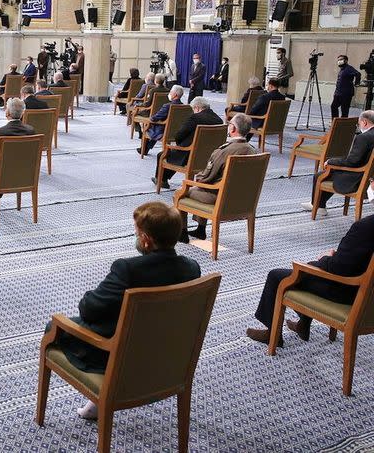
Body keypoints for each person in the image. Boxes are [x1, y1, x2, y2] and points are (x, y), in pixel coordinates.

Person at [50, 201, 200, 420]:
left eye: (137, 233)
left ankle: (104, 391)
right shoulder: (192, 267)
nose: (136, 237)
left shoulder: (128, 270)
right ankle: (97, 400)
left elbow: (89, 310)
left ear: (147, 241)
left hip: (121, 357)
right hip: (168, 357)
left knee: (54, 327)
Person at [247, 214, 374, 347]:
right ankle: (303, 325)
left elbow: (337, 268)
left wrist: (325, 258)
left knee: (277, 276)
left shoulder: (365, 226)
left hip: (347, 292)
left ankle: (272, 334)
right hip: (368, 295)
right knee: (309, 269)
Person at [178, 113, 258, 242]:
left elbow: (206, 178)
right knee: (201, 188)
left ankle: (182, 233)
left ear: (232, 129)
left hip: (220, 199)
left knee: (182, 192)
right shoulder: (254, 152)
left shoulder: (224, 151)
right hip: (243, 201)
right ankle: (200, 230)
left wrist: (197, 178)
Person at [300, 110, 374, 216]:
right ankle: (319, 204)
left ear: (364, 122)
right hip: (370, 177)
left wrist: (331, 161)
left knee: (321, 175)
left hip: (358, 178)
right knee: (333, 170)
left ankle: (318, 205)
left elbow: (352, 161)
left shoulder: (363, 138)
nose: (359, 126)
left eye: (359, 123)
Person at [155, 96, 223, 189]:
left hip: (191, 156)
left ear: (197, 108)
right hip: (210, 157)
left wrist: (178, 144)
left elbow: (179, 135)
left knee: (162, 154)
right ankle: (164, 179)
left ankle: (161, 180)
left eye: (193, 109)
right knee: (175, 155)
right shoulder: (219, 120)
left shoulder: (195, 118)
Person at [0, 98, 35, 208]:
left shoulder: (0, 132)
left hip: (2, 173)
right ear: (23, 113)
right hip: (24, 174)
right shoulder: (30, 131)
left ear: (7, 113)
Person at [138, 85, 185, 155]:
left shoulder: (167, 106)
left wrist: (149, 119)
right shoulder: (184, 107)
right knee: (153, 126)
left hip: (164, 131)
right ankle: (145, 148)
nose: (169, 93)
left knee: (146, 125)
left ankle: (144, 149)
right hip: (176, 131)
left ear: (175, 94)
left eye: (171, 92)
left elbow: (155, 118)